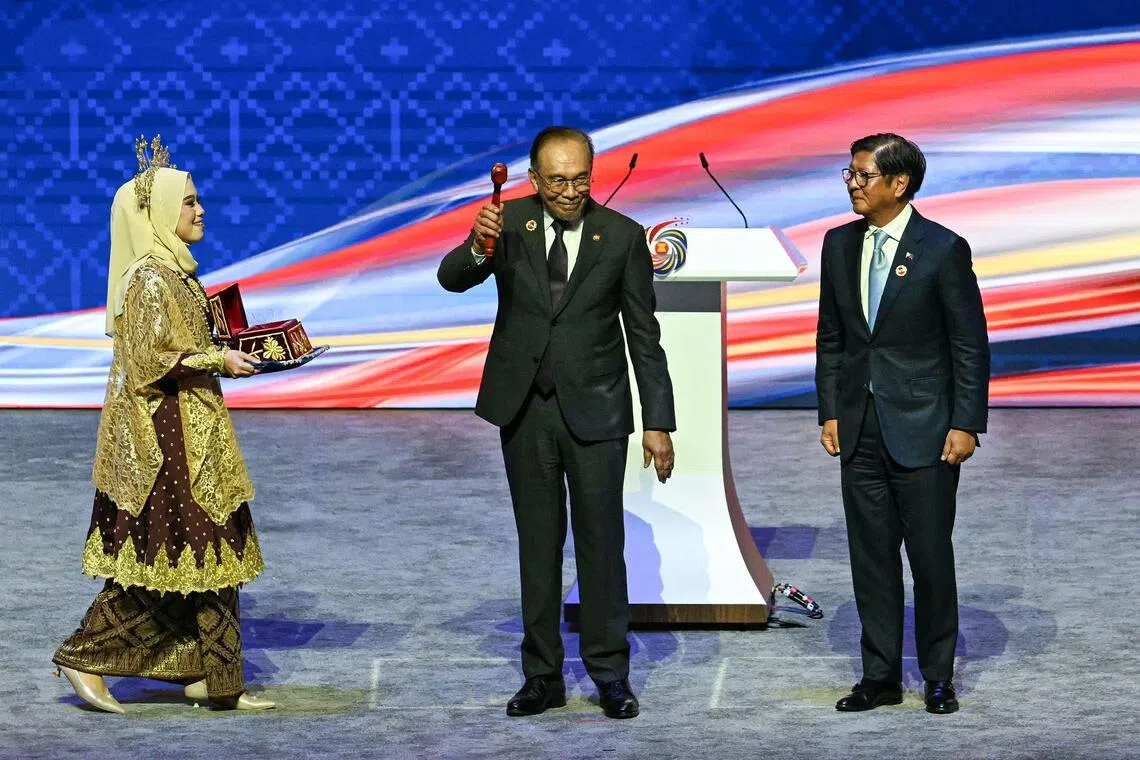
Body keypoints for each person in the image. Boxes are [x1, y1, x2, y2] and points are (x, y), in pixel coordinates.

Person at [438, 126, 676, 719]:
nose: (570, 191)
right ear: (534, 179)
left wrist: (658, 422)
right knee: (538, 545)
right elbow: (452, 277)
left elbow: (644, 335)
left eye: (580, 179)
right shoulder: (507, 224)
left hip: (597, 410)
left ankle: (609, 674)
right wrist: (476, 246)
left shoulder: (621, 237)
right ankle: (541, 675)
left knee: (602, 545)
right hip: (524, 409)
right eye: (557, 180)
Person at [52, 137, 273, 713]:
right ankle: (85, 658)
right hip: (165, 436)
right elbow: (151, 360)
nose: (202, 211)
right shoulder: (149, 278)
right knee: (169, 554)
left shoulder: (178, 274)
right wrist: (215, 359)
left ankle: (214, 677)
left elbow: (188, 342)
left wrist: (237, 349)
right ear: (158, 213)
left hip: (195, 425)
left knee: (215, 551)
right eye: (191, 202)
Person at [815, 133, 990, 715]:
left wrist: (965, 422)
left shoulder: (942, 249)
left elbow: (969, 344)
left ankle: (937, 675)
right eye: (850, 173)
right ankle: (880, 677)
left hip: (925, 427)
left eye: (863, 175)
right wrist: (831, 410)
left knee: (930, 556)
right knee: (870, 557)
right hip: (860, 427)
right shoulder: (837, 245)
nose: (853, 184)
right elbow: (832, 338)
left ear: (899, 183)